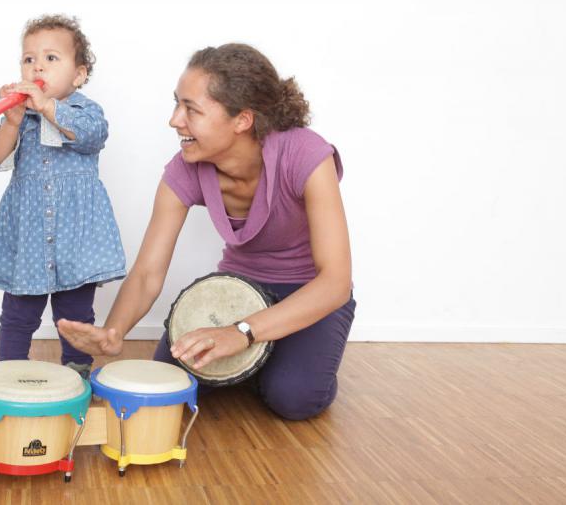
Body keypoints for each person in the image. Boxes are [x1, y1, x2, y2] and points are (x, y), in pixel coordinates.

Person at [59, 43, 356, 420]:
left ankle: (274, 358)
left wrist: (242, 333)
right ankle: (258, 357)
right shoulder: (183, 169)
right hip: (238, 290)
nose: (174, 120)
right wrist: (113, 331)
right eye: (176, 104)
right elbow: (149, 272)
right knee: (173, 381)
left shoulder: (305, 154)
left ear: (242, 120)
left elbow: (335, 283)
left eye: (191, 109)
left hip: (309, 293)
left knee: (294, 398)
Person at [0, 15, 126, 379]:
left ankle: (77, 374)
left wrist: (47, 106)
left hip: (76, 236)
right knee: (17, 311)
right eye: (28, 59)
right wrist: (11, 121)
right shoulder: (18, 116)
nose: (37, 66)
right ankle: (8, 374)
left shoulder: (83, 110)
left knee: (75, 315)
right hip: (28, 235)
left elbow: (93, 135)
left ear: (78, 75)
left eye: (50, 58)